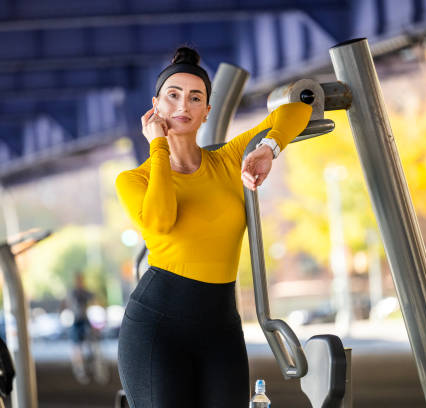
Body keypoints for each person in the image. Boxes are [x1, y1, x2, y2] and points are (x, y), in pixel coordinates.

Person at [114, 45, 312, 407]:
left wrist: (268, 149)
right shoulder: (133, 179)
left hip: (221, 326)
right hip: (157, 329)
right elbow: (160, 221)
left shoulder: (228, 159)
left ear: (206, 112)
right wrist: (158, 145)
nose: (182, 106)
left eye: (194, 98)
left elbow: (298, 109)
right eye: (173, 96)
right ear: (155, 106)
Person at [64, 272, 96, 383]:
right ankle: (80, 369)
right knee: (77, 347)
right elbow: (69, 304)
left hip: (83, 320)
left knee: (89, 344)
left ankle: (89, 365)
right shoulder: (74, 292)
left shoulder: (82, 292)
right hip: (76, 321)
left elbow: (93, 296)